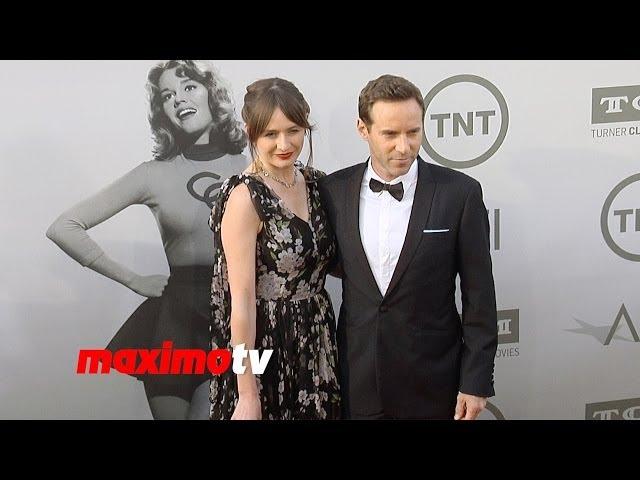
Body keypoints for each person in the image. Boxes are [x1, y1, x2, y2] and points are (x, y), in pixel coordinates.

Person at [46, 60, 248, 420]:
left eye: (189, 87)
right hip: (173, 322)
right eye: (167, 95)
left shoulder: (250, 167)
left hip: (232, 317)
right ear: (162, 111)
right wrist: (132, 279)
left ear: (211, 93)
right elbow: (65, 226)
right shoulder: (153, 174)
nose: (179, 100)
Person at [317, 74, 498, 420]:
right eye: (390, 134)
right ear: (362, 129)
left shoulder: (459, 194)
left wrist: (476, 381)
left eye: (413, 132)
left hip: (434, 382)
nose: (404, 147)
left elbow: (480, 296)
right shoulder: (332, 192)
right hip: (356, 381)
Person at [208, 77, 341, 420]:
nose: (284, 143)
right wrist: (247, 393)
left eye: (294, 130)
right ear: (250, 131)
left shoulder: (316, 183)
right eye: (270, 134)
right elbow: (239, 305)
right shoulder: (244, 197)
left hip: (317, 338)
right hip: (267, 346)